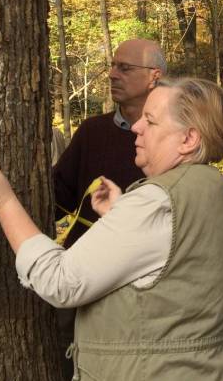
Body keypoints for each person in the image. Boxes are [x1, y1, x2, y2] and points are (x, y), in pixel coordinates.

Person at [0, 77, 223, 380]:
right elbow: (176, 266)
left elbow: (60, 282)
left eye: (151, 121)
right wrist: (121, 214)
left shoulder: (156, 202)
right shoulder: (210, 185)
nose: (136, 127)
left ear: (188, 139)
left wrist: (4, 203)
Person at [53, 38, 166, 247]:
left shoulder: (172, 141)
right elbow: (55, 199)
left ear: (154, 76)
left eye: (124, 68)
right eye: (112, 67)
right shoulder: (91, 132)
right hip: (82, 267)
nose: (112, 75)